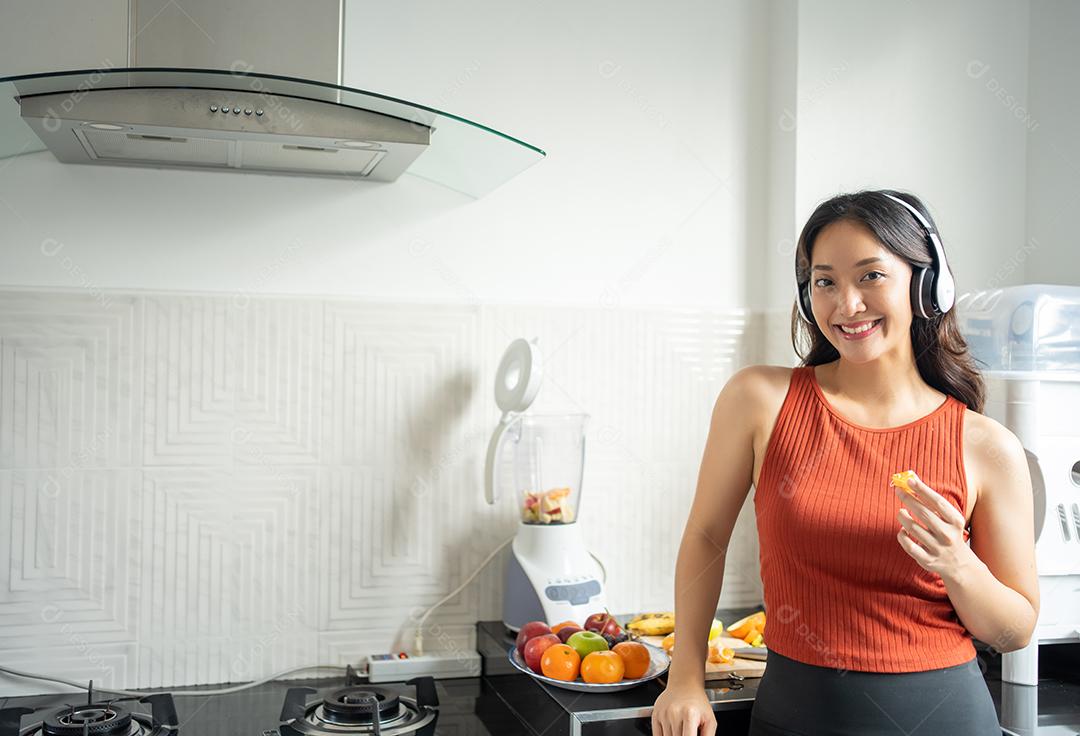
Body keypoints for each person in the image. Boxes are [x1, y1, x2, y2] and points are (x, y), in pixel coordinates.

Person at [650, 190, 1039, 735]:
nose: (846, 304)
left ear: (928, 286)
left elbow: (1015, 630)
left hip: (946, 718)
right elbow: (707, 535)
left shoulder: (986, 446)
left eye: (871, 276)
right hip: (794, 716)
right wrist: (684, 676)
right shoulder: (759, 399)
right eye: (825, 281)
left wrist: (959, 563)